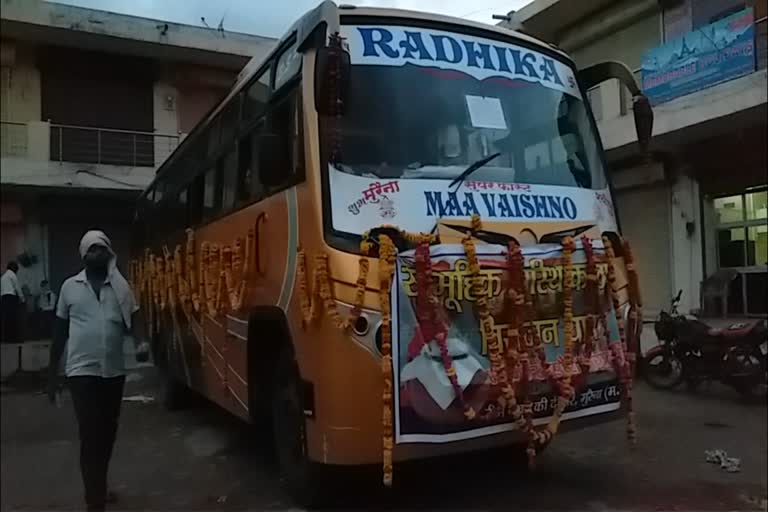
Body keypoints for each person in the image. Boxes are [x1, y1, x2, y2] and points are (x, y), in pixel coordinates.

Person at [47, 231, 148, 512]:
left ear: (109, 254)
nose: (97, 254)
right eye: (92, 250)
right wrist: (52, 375)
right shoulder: (69, 287)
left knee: (107, 433)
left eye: (102, 249)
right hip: (81, 371)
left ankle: (99, 486)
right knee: (91, 433)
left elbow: (135, 315)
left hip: (113, 372)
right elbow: (59, 332)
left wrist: (141, 341)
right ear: (83, 256)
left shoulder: (120, 286)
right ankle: (95, 501)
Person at [1, 261, 25, 344]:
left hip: (3, 298)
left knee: (6, 320)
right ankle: (14, 338)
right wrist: (22, 299)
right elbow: (17, 287)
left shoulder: (3, 277)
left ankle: (6, 338)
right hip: (11, 298)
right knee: (13, 319)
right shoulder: (12, 275)